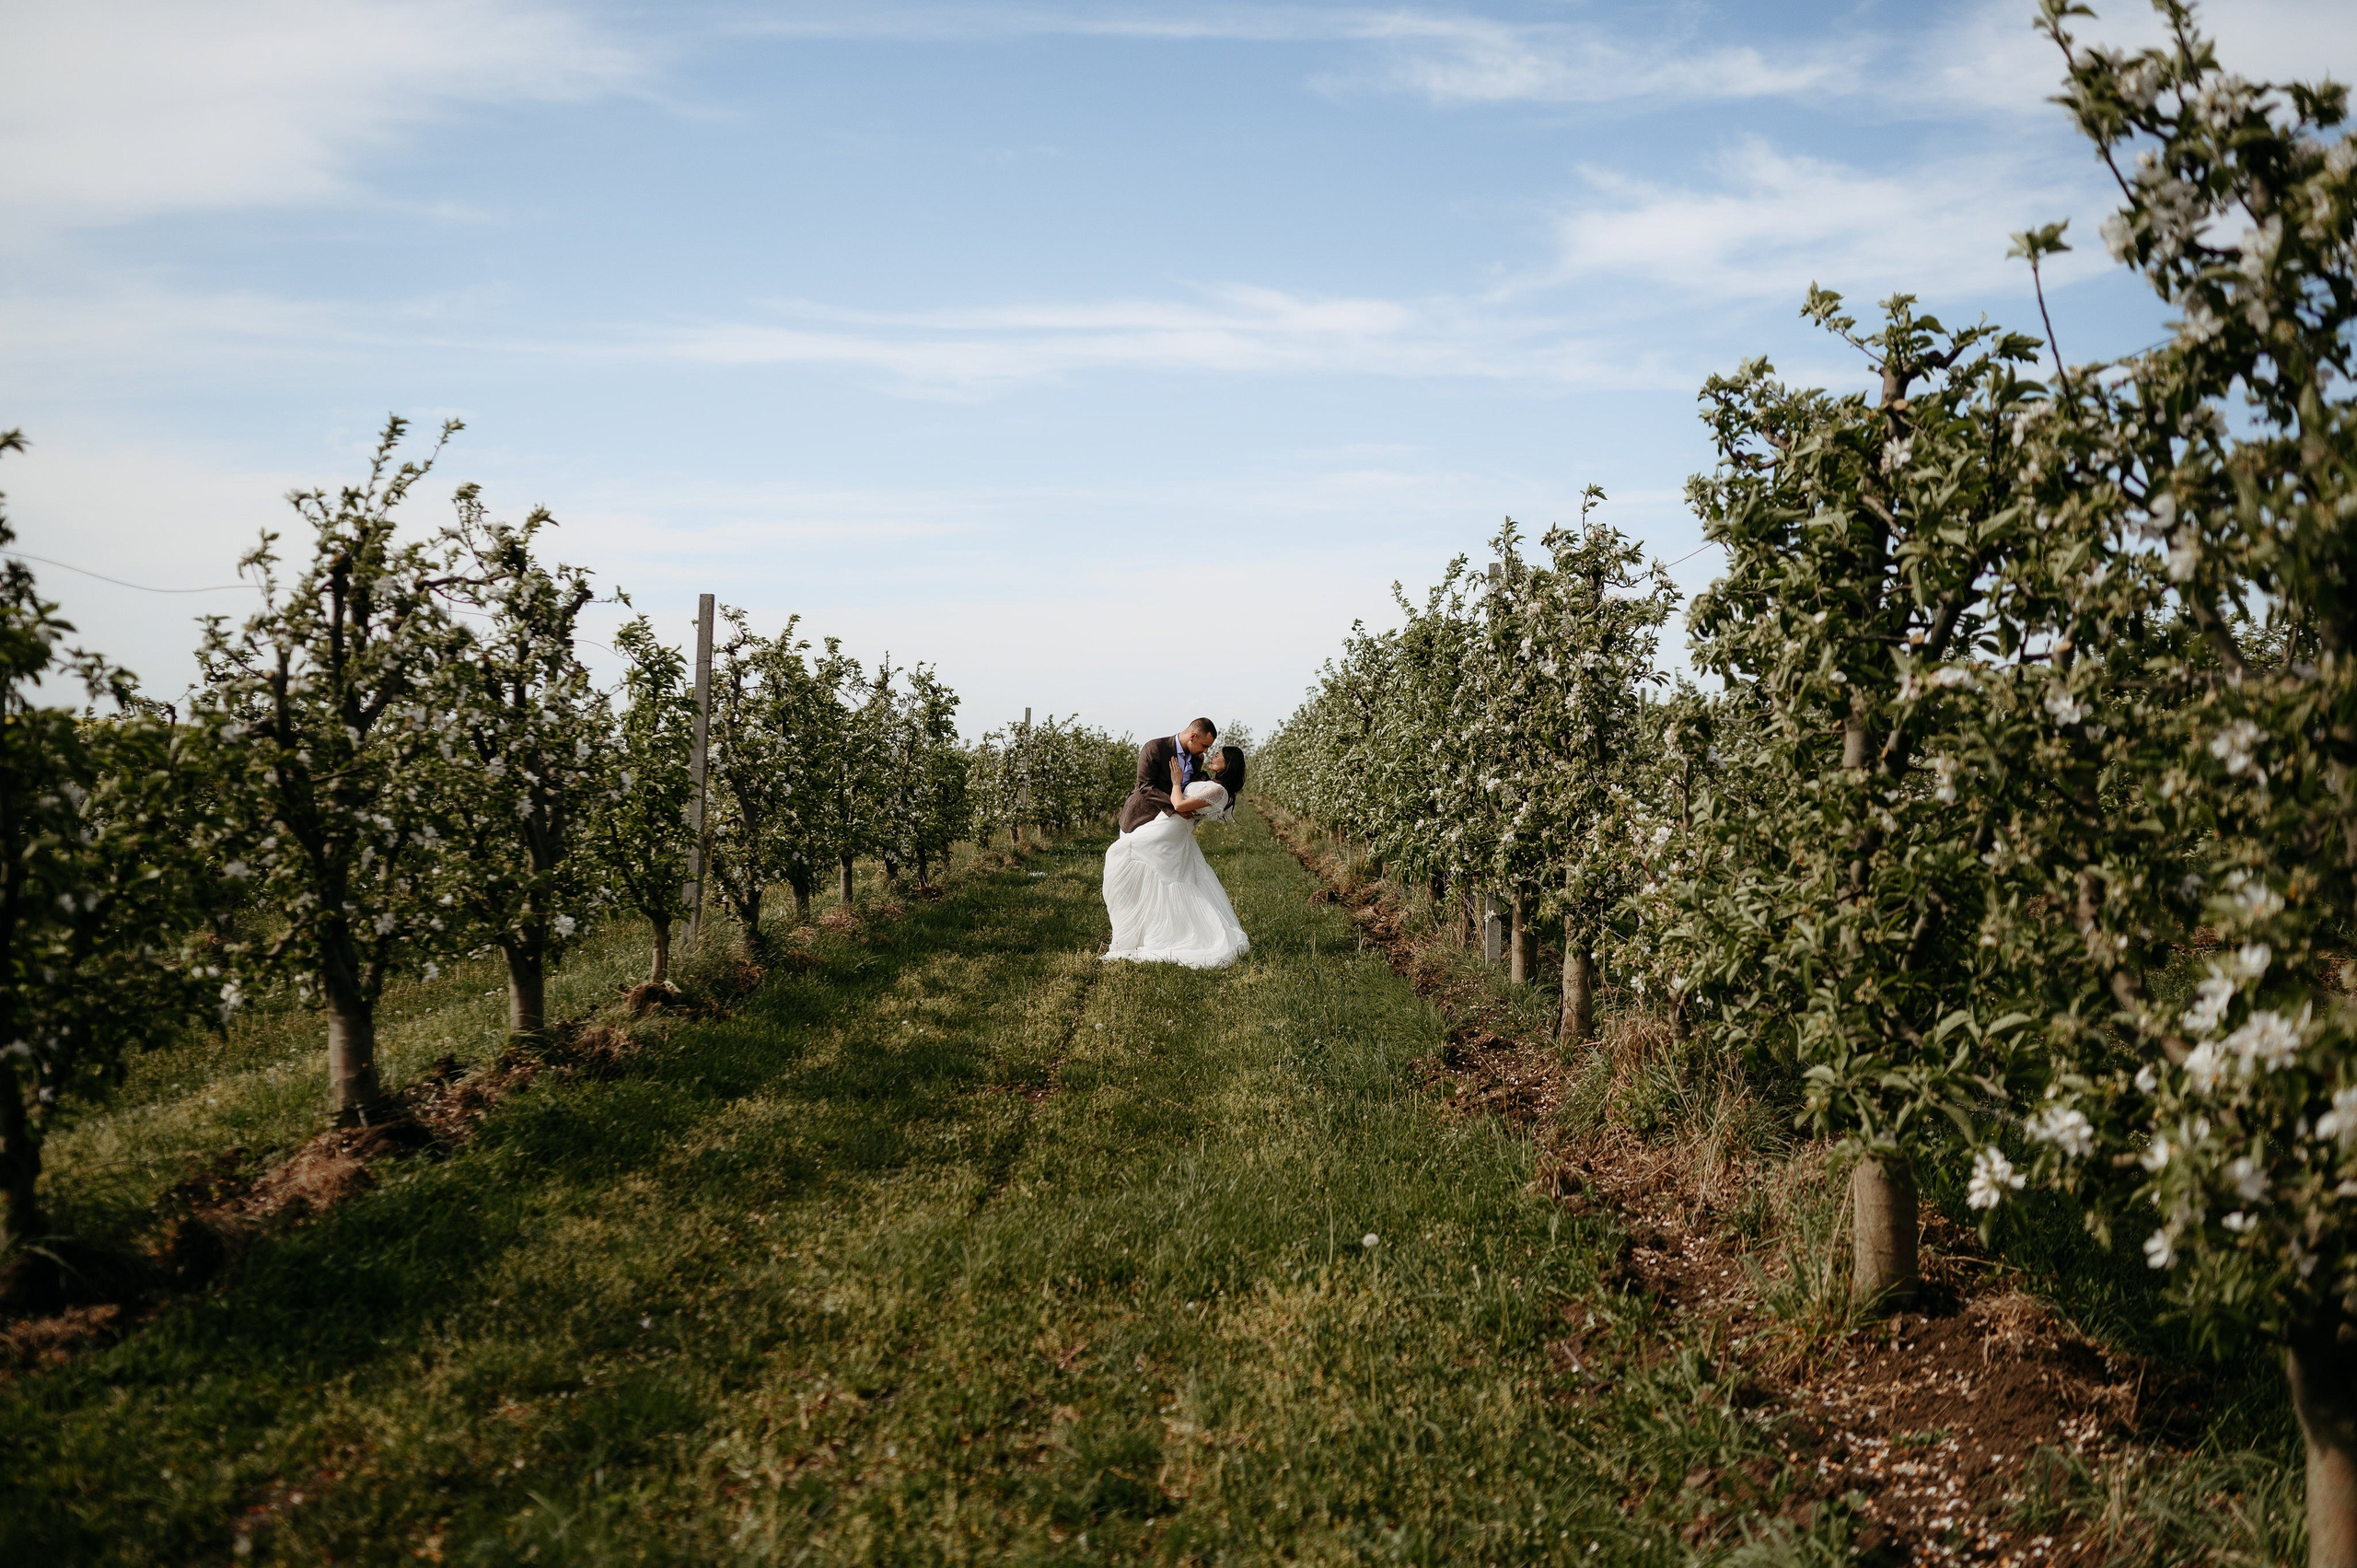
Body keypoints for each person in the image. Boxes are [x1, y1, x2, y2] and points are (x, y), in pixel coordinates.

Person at [1102, 741, 1249, 968]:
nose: (1212, 754)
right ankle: (1137, 928)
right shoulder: (1212, 784)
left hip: (1169, 830)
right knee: (1147, 871)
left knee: (1120, 855)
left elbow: (1179, 805)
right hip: (1168, 827)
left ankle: (1137, 929)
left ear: (1228, 764)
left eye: (1218, 754)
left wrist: (1175, 782)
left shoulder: (1218, 791)